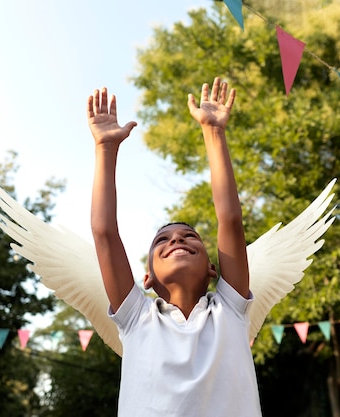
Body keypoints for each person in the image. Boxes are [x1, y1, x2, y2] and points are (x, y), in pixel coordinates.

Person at [87, 77, 262, 417]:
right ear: (147, 278)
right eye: (162, 241)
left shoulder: (230, 308)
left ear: (214, 269)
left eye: (189, 236)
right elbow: (104, 232)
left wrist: (214, 132)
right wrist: (105, 149)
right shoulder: (136, 316)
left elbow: (230, 219)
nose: (177, 240)